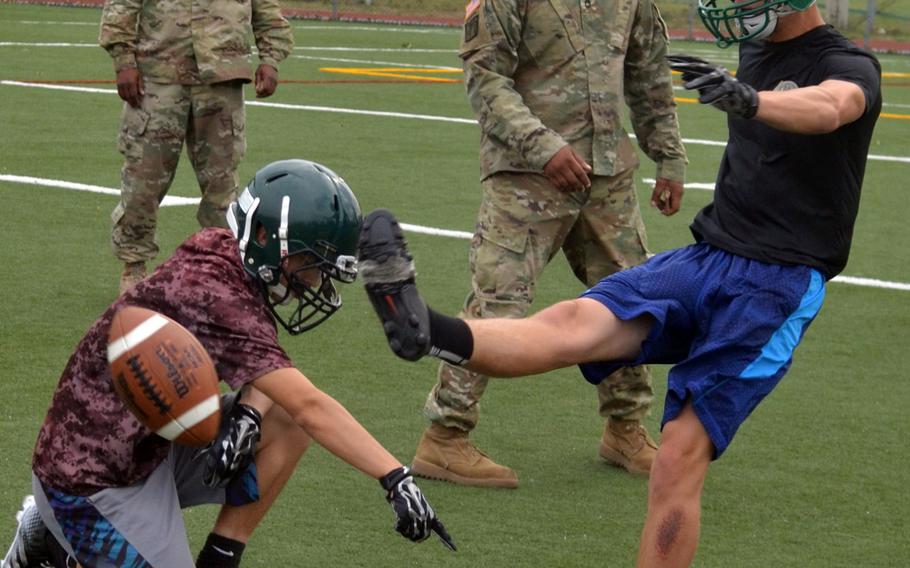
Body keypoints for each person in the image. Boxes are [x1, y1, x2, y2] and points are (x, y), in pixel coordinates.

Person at [358, 0, 881, 563]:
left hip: (774, 285)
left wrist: (744, 106)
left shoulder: (850, 64)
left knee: (680, 453)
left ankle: (626, 432)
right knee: (572, 320)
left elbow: (831, 106)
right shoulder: (757, 49)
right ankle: (423, 328)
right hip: (707, 256)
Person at [2, 160, 453, 568]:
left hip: (144, 446)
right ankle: (55, 541)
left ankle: (220, 557)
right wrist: (394, 477)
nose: (315, 280)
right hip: (89, 478)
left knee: (282, 421)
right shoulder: (219, 294)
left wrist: (251, 412)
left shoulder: (224, 251)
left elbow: (260, 358)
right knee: (299, 412)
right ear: (264, 238)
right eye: (310, 263)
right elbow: (310, 406)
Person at [414, 0, 688, 488]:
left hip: (607, 176)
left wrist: (668, 156)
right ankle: (445, 437)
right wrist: (544, 148)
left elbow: (648, 75)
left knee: (631, 301)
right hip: (527, 178)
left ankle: (625, 428)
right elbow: (487, 79)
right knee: (498, 304)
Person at [99, 0, 294, 295]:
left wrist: (271, 59)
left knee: (221, 190)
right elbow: (122, 5)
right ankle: (134, 266)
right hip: (159, 79)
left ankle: (219, 268)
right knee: (143, 182)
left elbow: (266, 9)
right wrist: (124, 61)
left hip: (222, 81)